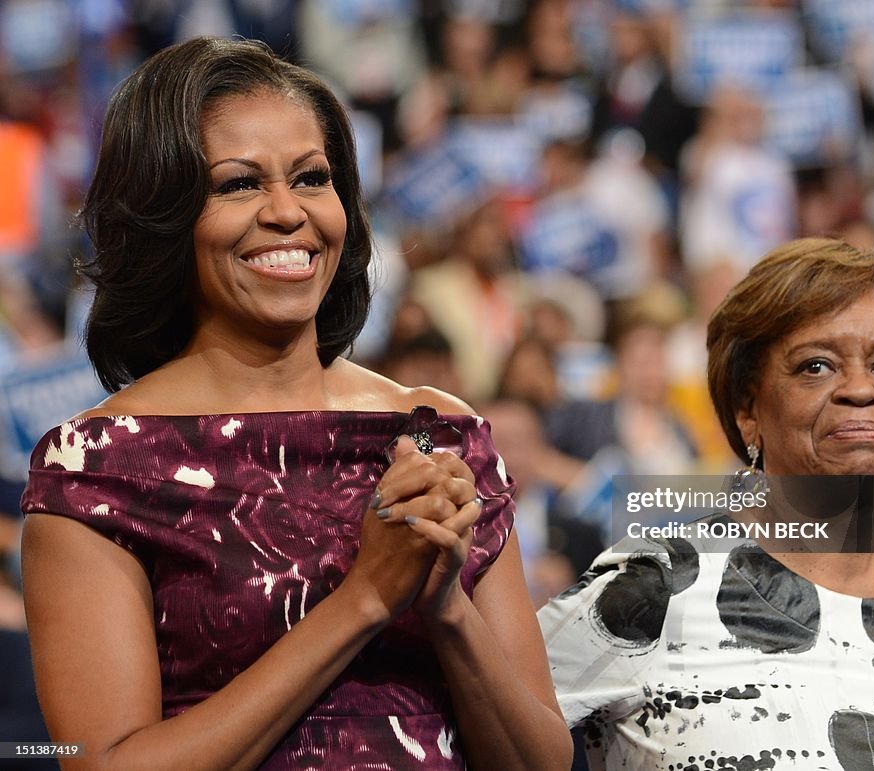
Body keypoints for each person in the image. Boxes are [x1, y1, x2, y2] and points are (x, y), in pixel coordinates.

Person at [19, 37, 572, 771]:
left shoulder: (443, 436)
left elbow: (542, 762)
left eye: (313, 177)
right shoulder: (96, 467)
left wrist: (445, 610)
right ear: (164, 213)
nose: (288, 212)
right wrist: (366, 599)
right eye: (239, 184)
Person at [538, 238, 874, 768]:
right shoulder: (658, 587)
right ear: (747, 410)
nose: (861, 389)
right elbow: (468, 726)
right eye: (816, 366)